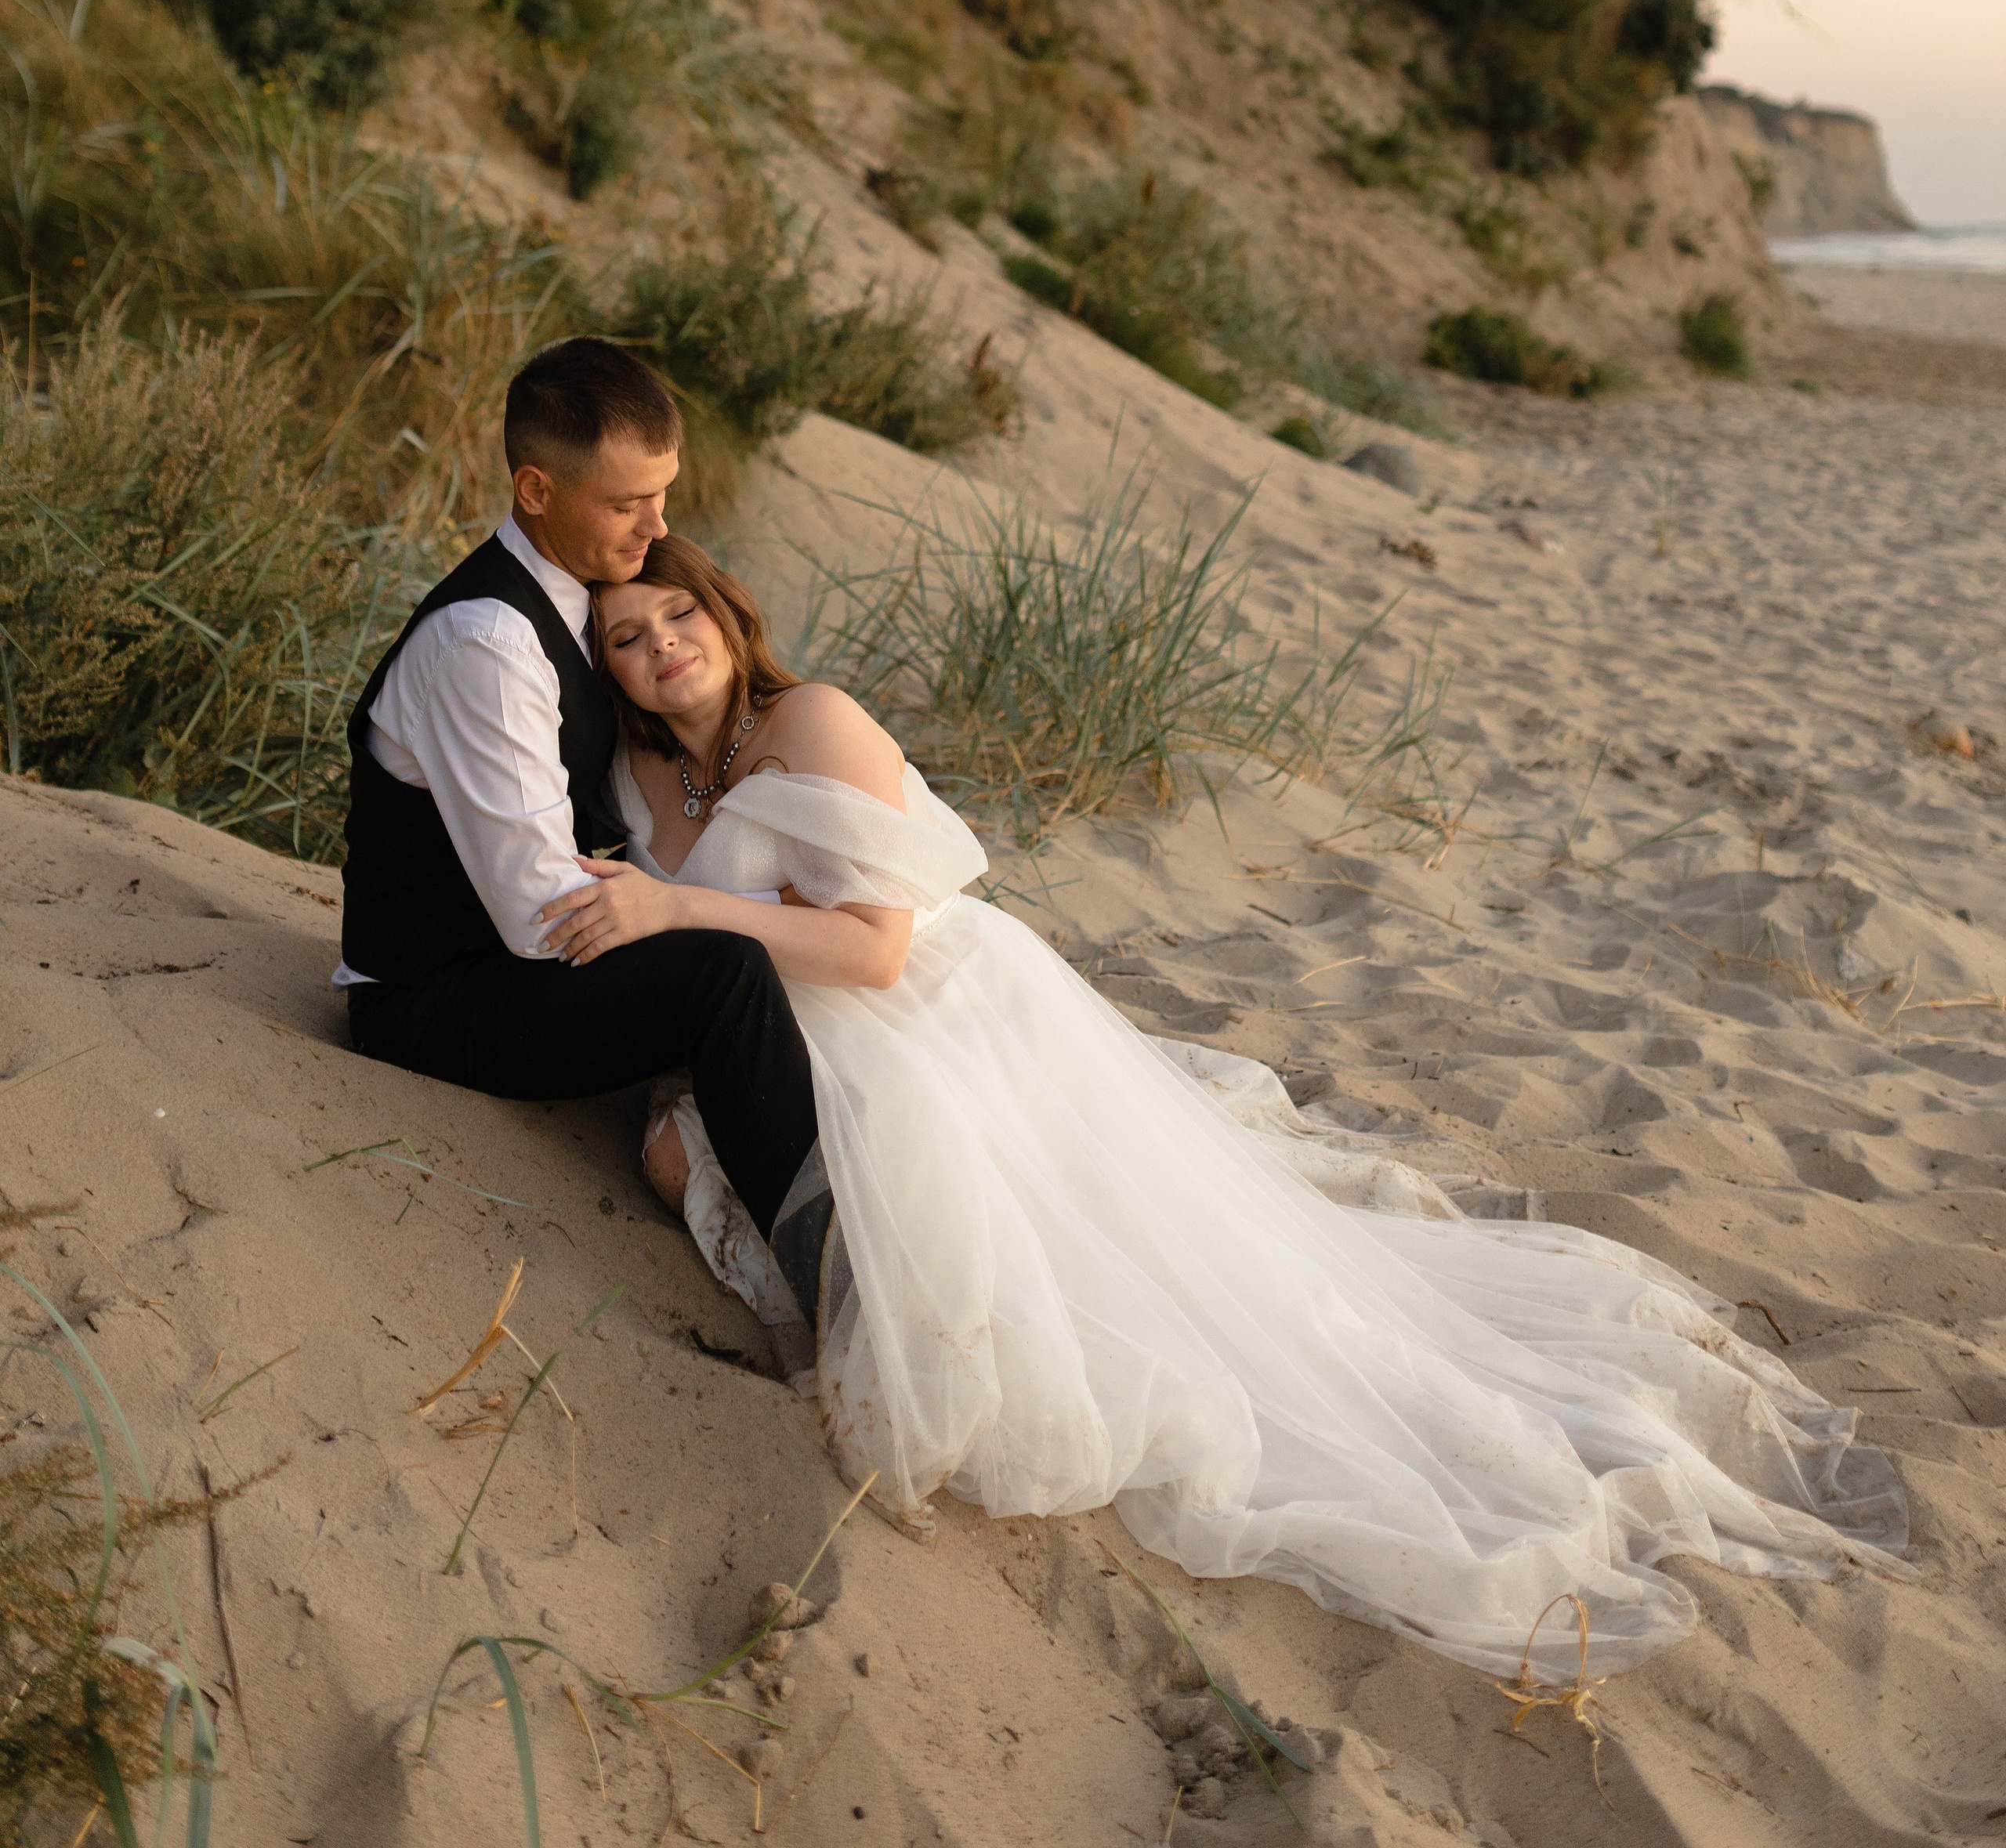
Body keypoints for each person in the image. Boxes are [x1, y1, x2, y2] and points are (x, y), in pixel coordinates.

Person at [537, 531, 1913, 1687]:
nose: (662, 642)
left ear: (728, 611)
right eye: (627, 634)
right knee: (690, 1153)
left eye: (679, 610)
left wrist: (675, 902)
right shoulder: (640, 777)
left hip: (925, 1003)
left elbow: (877, 946)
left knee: (1069, 1259)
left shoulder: (812, 718)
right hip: (792, 1024)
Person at [338, 338, 837, 1326]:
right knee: (723, 970)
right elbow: (539, 917)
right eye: (625, 503)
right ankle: (829, 1276)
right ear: (535, 487)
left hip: (498, 962)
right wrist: (719, 907)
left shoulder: (581, 608)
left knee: (759, 961)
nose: (658, 526)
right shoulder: (486, 641)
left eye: (664, 493)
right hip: (430, 998)